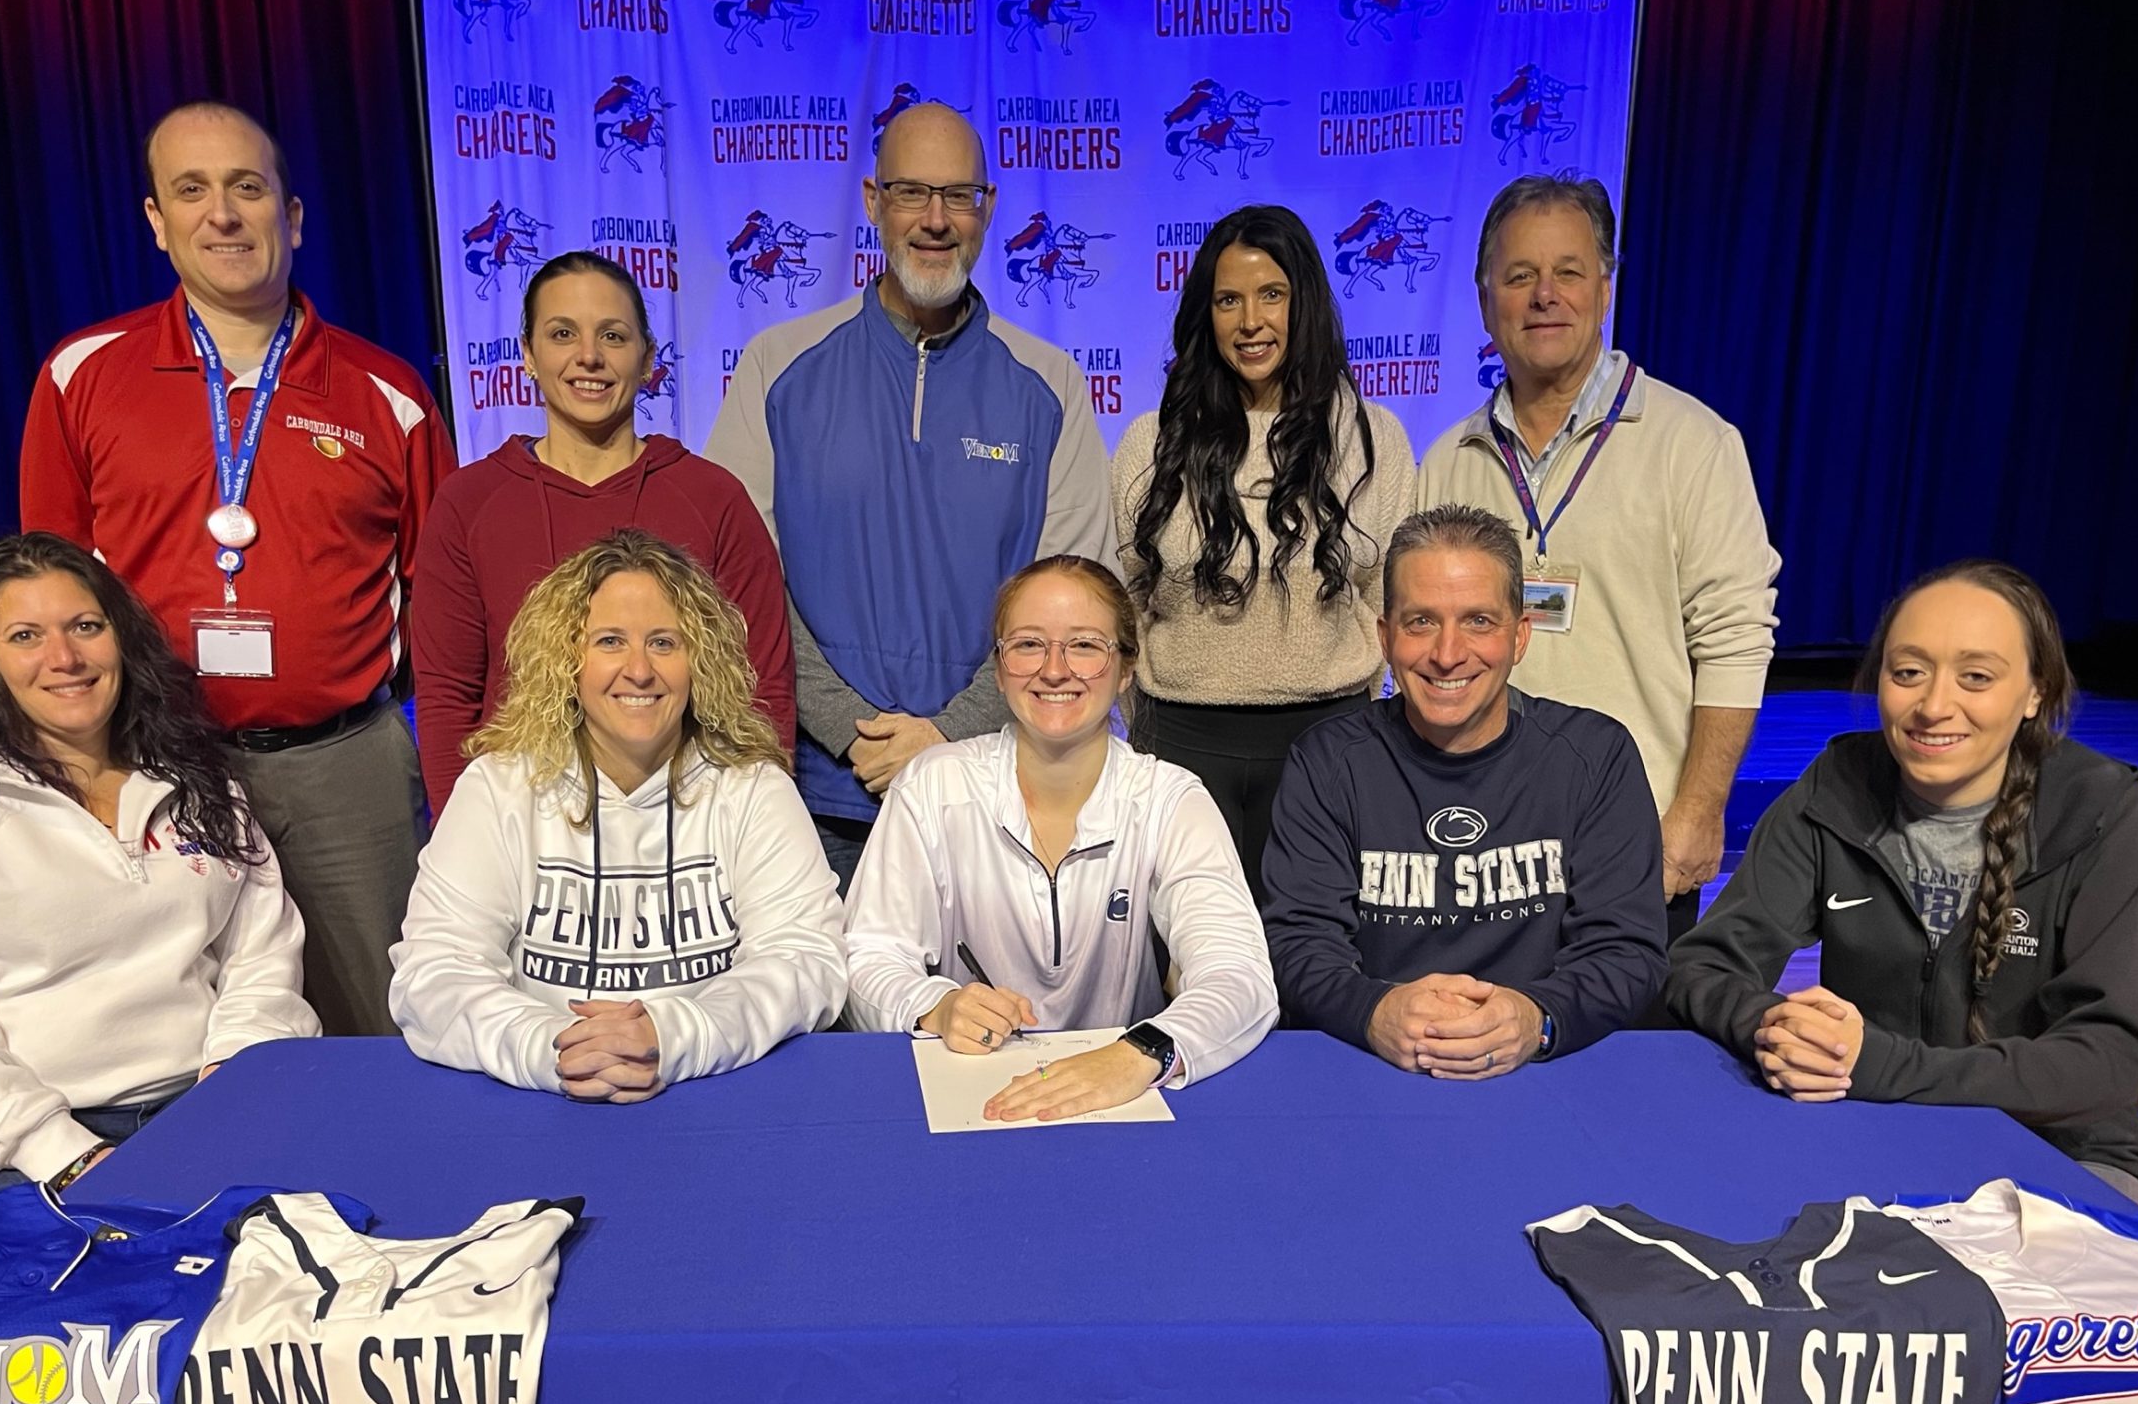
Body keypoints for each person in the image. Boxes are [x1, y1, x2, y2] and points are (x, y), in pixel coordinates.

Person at [20, 100, 455, 1037]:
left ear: (291, 217)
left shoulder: (389, 395)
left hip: (345, 768)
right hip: (156, 762)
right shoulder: (83, 374)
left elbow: (437, 592)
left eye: (247, 188)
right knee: (172, 1026)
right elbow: (46, 591)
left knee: (380, 1023)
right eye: (193, 190)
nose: (222, 213)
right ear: (157, 222)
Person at [0, 534, 318, 1267]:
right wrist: (66, 1154)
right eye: (26, 636)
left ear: (120, 640)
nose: (64, 659)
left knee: (290, 1263)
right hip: (24, 1140)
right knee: (111, 1285)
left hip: (197, 1107)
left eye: (85, 627)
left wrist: (236, 1090)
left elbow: (262, 957)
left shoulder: (201, 787)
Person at [1665, 562, 2138, 1213]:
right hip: (1870, 1138)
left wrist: (1876, 1064)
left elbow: (2106, 1061)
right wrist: (1773, 1024)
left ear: (2035, 691)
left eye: (1976, 677)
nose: (1933, 706)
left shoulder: (2101, 810)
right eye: (1908, 673)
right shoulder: (1838, 787)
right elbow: (1700, 967)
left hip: (2061, 1157)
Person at [704, 103, 1115, 888]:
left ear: (988, 208)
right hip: (814, 805)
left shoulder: (1049, 385)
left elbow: (1077, 601)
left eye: (958, 196)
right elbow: (736, 589)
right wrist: (855, 737)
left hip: (998, 800)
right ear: (871, 201)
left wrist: (947, 739)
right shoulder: (777, 366)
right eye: (910, 193)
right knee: (828, 1016)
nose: (935, 219)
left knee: (992, 1018)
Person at [1418, 174, 1778, 942]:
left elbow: (1736, 642)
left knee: (1628, 1061)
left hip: (1635, 844)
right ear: (1486, 301)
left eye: (1569, 272)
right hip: (1481, 850)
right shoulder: (1449, 460)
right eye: (1519, 277)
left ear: (1605, 288)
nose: (1544, 295)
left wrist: (1699, 811)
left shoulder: (1694, 444)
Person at [390, 530, 844, 1099]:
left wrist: (678, 1037)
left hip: (715, 1094)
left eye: (663, 642)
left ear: (699, 660)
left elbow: (806, 960)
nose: (638, 670)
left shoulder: (753, 788)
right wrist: (556, 1048)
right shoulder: (499, 786)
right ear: (567, 660)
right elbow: (433, 974)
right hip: (539, 1099)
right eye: (609, 641)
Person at [844, 556, 1277, 1121]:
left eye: (1085, 646)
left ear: (1125, 669)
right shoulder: (934, 785)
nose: (1054, 670)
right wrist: (937, 1004)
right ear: (998, 669)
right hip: (971, 1095)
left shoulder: (1170, 799)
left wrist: (1138, 1054)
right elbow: (867, 956)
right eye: (1028, 645)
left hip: (1126, 1100)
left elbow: (1240, 977)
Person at [1262, 505, 1665, 1077]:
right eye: (1421, 621)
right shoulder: (1327, 762)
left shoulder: (1596, 757)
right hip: (1373, 1066)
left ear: (1520, 635)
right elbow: (1297, 941)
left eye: (1478, 621)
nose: (1448, 654)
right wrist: (1372, 1010)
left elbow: (1628, 950)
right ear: (1385, 636)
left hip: (1542, 1071)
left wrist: (1536, 1016)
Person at [413, 251, 795, 816]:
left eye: (613, 336)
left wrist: (757, 825)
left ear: (647, 360)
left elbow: (764, 691)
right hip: (521, 824)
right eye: (563, 333)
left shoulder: (714, 500)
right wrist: (465, 836)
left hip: (687, 825)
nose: (588, 356)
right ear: (528, 355)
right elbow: (447, 699)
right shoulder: (469, 504)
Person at [1113, 205, 1417, 898]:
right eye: (1228, 300)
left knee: (1315, 969)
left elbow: (1387, 600)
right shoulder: (1150, 442)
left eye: (1271, 295)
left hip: (1328, 743)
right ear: (1205, 313)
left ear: (1303, 301)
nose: (1250, 321)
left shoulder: (1372, 438)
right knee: (1189, 973)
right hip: (1181, 745)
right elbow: (1128, 601)